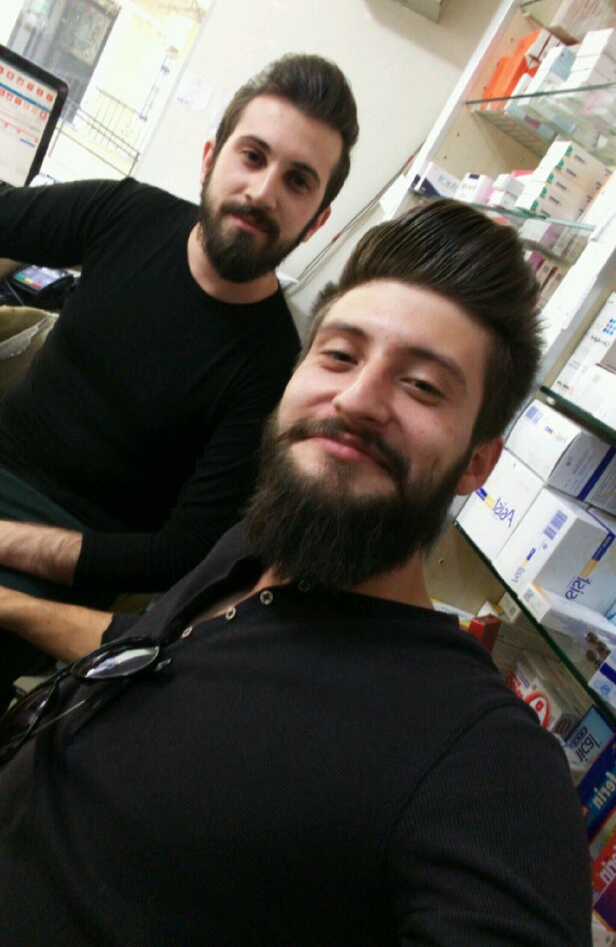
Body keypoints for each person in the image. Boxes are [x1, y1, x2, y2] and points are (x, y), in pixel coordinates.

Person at [0, 199, 591, 945]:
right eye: (339, 355)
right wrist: (11, 606)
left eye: (422, 386)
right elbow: (162, 652)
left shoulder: (478, 755)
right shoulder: (254, 547)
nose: (357, 399)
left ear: (478, 462)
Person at [0, 53, 359, 707]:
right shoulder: (127, 214)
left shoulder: (272, 376)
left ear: (317, 219)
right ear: (210, 159)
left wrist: (10, 544)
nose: (263, 191)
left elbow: (176, 553)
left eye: (297, 181)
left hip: (56, 557)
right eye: (253, 156)